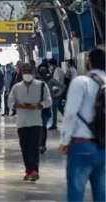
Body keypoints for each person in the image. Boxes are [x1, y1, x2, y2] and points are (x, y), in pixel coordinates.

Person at [59, 48, 105, 201]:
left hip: (82, 145)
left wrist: (65, 141)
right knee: (102, 194)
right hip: (104, 147)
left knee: (76, 194)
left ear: (88, 62)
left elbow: (71, 113)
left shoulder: (80, 82)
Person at [8, 63, 52, 181]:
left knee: (34, 147)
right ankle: (28, 170)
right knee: (25, 148)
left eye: (28, 71)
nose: (26, 74)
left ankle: (34, 171)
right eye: (24, 71)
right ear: (22, 73)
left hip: (36, 122)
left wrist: (40, 105)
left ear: (33, 73)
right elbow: (10, 101)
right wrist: (15, 105)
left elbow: (49, 101)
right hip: (22, 123)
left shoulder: (41, 85)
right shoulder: (16, 87)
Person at [37, 63, 64, 154]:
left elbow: (62, 87)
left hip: (43, 106)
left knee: (41, 126)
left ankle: (41, 145)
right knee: (42, 126)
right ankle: (41, 145)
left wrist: (56, 94)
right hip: (41, 106)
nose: (43, 73)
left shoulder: (41, 81)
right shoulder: (41, 81)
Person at [49, 58, 65, 129]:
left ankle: (54, 124)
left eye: (50, 65)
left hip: (57, 91)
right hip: (59, 91)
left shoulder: (57, 71)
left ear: (52, 64)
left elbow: (57, 82)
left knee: (55, 108)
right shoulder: (59, 70)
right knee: (58, 107)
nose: (50, 66)